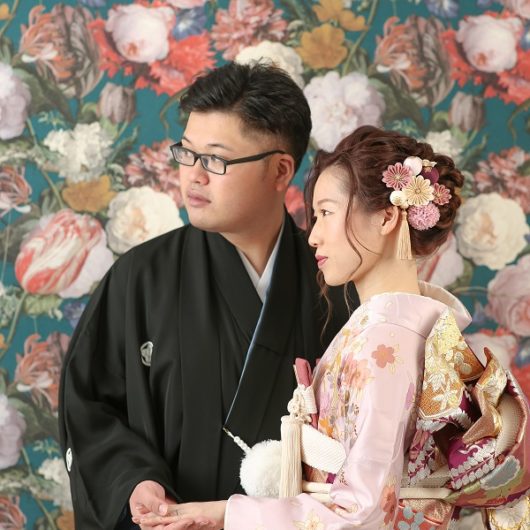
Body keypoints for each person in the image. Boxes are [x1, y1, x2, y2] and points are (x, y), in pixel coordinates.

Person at [58, 62, 354, 530]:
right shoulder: (140, 277)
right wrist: (135, 482)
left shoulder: (336, 284)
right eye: (187, 153)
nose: (193, 176)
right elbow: (90, 408)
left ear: (280, 170)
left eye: (215, 160)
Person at [136, 125, 470, 529]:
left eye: (326, 213)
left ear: (386, 218)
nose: (313, 236)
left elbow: (361, 512)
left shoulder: (387, 345)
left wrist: (226, 514)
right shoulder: (392, 331)